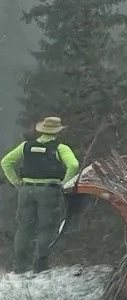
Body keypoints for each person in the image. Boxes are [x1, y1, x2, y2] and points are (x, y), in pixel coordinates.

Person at [1, 117, 79, 273]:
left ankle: (20, 267)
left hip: (26, 190)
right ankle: (40, 266)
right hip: (49, 191)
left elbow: (5, 162)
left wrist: (16, 182)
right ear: (57, 132)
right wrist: (64, 183)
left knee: (24, 228)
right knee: (46, 228)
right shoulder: (60, 148)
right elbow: (74, 165)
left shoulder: (25, 147)